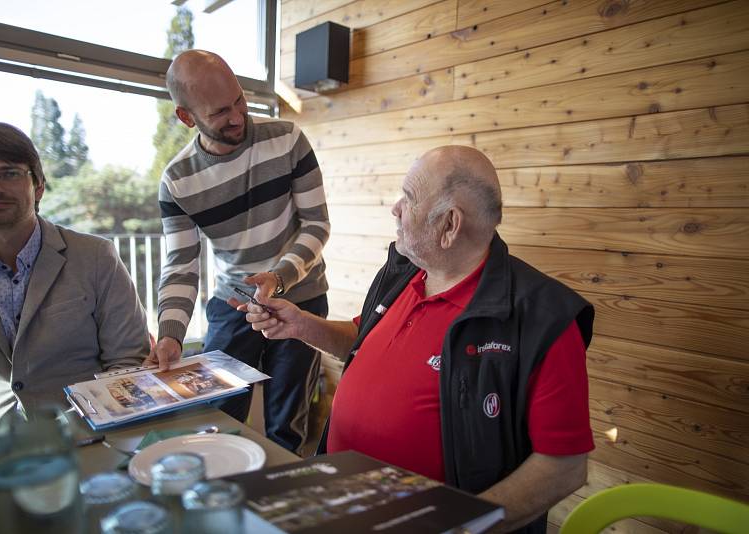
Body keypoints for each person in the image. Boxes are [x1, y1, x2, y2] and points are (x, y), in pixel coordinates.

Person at [241, 146, 595, 532]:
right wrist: (300, 324)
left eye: (408, 198)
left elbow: (564, 467)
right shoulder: (404, 272)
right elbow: (364, 338)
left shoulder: (542, 318)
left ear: (449, 225)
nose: (395, 208)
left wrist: (458, 526)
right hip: (340, 503)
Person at [149, 50, 330, 453]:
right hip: (233, 302)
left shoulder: (287, 139)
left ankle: (285, 503)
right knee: (218, 415)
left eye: (239, 101)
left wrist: (279, 277)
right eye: (219, 112)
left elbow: (317, 225)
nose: (237, 117)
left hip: (299, 296)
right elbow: (181, 265)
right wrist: (170, 334)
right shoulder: (178, 181)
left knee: (289, 422)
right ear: (186, 117)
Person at [0, 122, 151, 433]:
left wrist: (98, 429)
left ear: (39, 185)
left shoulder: (96, 256)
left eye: (9, 173)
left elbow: (128, 361)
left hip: (86, 436)